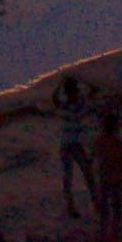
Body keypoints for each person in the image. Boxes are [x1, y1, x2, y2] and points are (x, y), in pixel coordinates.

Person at [53, 73, 93, 218]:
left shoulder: (77, 104)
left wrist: (75, 79)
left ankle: (94, 202)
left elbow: (93, 90)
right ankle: (71, 207)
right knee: (70, 177)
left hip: (74, 144)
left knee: (86, 174)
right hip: (69, 146)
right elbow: (55, 100)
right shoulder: (75, 105)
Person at [91, 103, 122, 242]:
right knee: (116, 206)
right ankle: (114, 233)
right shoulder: (118, 143)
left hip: (104, 177)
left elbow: (94, 157)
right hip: (115, 177)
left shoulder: (99, 141)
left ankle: (103, 233)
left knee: (105, 206)